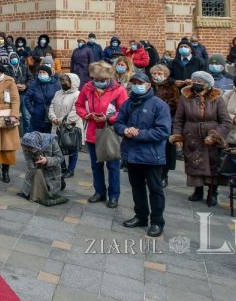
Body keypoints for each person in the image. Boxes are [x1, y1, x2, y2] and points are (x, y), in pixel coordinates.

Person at [115, 71, 171, 237]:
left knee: (155, 189)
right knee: (137, 187)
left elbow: (163, 131)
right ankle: (140, 216)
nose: (136, 86)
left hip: (152, 156)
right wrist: (125, 130)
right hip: (132, 154)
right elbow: (118, 123)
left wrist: (139, 134)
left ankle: (157, 221)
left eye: (140, 83)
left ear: (148, 85)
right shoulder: (128, 103)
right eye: (134, 83)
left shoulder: (159, 105)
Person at [171, 70, 231, 207]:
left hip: (211, 137)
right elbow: (179, 119)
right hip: (192, 136)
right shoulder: (185, 97)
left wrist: (215, 136)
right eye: (195, 81)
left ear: (208, 85)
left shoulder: (217, 98)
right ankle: (198, 190)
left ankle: (212, 192)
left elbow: (226, 121)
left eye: (200, 82)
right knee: (194, 164)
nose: (197, 84)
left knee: (213, 165)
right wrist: (177, 136)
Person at [76, 61, 127, 207]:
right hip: (93, 131)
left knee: (113, 166)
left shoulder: (119, 90)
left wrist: (109, 118)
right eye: (96, 80)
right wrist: (86, 115)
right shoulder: (87, 87)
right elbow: (79, 105)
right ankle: (99, 192)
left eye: (102, 80)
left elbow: (123, 111)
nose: (98, 83)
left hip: (110, 132)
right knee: (96, 165)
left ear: (108, 78)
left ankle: (114, 195)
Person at [17, 131, 68, 206]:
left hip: (51, 169)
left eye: (32, 149)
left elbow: (60, 158)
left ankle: (61, 181)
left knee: (49, 192)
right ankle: (54, 181)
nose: (30, 151)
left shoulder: (51, 141)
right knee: (33, 192)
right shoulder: (26, 144)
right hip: (38, 169)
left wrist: (47, 160)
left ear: (38, 144)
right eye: (28, 149)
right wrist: (32, 178)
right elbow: (29, 164)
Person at [149, 63, 180, 187]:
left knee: (167, 149)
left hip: (167, 121)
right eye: (155, 73)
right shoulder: (148, 85)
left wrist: (159, 108)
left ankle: (164, 174)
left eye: (160, 74)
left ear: (166, 75)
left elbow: (175, 103)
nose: (157, 76)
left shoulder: (172, 86)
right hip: (149, 121)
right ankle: (153, 173)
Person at [48, 73, 82, 177]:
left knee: (72, 147)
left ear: (72, 82)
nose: (63, 83)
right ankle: (62, 168)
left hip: (71, 126)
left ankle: (71, 170)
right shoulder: (58, 93)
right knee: (57, 147)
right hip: (57, 125)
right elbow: (52, 105)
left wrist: (61, 120)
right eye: (61, 81)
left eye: (65, 81)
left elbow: (75, 111)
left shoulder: (77, 94)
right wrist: (53, 117)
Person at [23, 62, 59, 134]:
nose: (42, 74)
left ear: (48, 74)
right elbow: (27, 98)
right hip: (36, 116)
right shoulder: (34, 84)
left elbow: (59, 98)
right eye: (40, 72)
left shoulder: (56, 84)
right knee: (35, 138)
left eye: (44, 72)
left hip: (50, 116)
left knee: (48, 139)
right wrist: (32, 111)